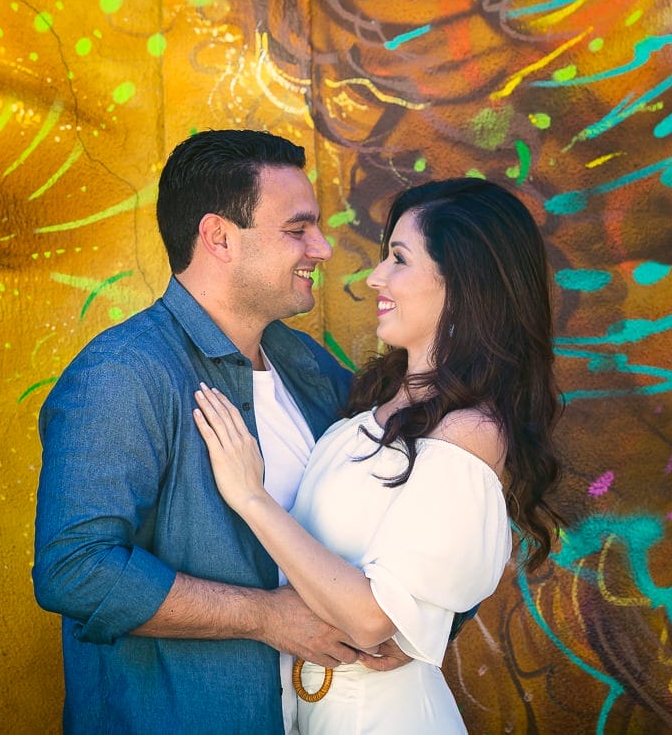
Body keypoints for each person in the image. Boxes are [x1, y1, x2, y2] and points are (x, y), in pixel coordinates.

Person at [32, 129, 403, 734]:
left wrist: (419, 623)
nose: (322, 247)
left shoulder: (307, 365)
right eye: (298, 229)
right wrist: (264, 617)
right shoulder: (123, 374)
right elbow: (76, 569)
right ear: (219, 237)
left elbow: (409, 492)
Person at [192, 176, 564, 733]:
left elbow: (372, 619)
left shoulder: (470, 432)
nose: (375, 277)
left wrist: (251, 497)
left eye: (399, 259)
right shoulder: (369, 397)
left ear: (463, 285)